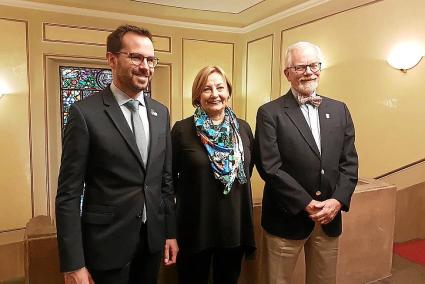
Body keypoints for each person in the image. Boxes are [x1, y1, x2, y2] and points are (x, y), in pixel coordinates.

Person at [55, 24, 178, 284]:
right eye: (136, 57)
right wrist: (73, 263)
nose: (145, 66)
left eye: (151, 59)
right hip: (106, 245)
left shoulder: (161, 113)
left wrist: (169, 233)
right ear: (111, 59)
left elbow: (164, 183)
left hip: (152, 242)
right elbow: (69, 194)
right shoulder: (84, 114)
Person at [254, 42, 358, 284]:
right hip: (285, 218)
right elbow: (269, 166)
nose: (309, 72)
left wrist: (337, 201)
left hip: (329, 218)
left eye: (314, 65)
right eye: (300, 67)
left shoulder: (340, 109)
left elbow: (349, 162)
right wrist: (306, 203)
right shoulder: (269, 113)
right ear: (287, 73)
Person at [171, 66, 256, 284]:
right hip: (195, 228)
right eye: (207, 89)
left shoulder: (243, 128)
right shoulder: (182, 130)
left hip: (233, 227)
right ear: (198, 95)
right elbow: (168, 180)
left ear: (228, 91)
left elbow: (248, 168)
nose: (215, 94)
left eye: (220, 87)